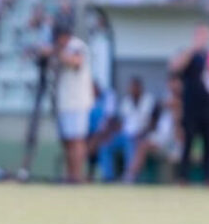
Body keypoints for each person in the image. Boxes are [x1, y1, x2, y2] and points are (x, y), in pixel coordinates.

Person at [171, 24, 209, 185]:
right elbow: (176, 68)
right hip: (191, 105)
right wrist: (193, 49)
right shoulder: (188, 54)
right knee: (188, 142)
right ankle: (183, 177)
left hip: (208, 106)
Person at [52, 22, 93, 184]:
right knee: (67, 141)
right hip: (65, 101)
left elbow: (76, 61)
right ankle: (70, 176)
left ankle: (77, 176)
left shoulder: (77, 46)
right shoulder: (61, 48)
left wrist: (55, 53)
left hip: (78, 101)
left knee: (77, 140)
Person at [98, 76, 155, 182]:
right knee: (105, 144)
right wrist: (111, 131)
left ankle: (130, 177)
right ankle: (108, 176)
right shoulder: (126, 101)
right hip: (125, 135)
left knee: (131, 144)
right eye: (130, 87)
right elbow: (121, 121)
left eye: (134, 87)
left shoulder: (148, 100)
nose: (131, 89)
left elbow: (152, 122)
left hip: (141, 135)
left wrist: (141, 134)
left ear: (140, 88)